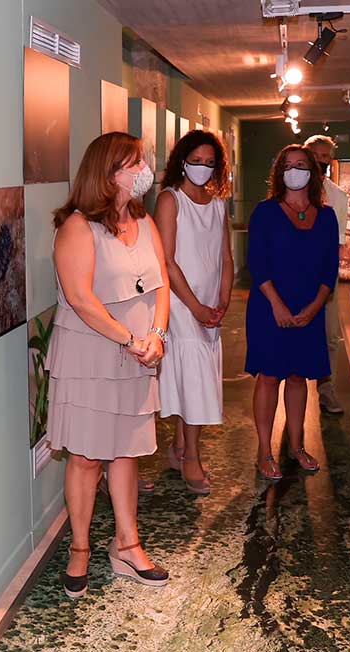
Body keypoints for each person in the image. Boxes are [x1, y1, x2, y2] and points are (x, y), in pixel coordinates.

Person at [48, 132, 171, 598]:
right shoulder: (77, 226)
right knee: (84, 456)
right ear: (109, 172)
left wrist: (156, 336)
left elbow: (159, 283)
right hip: (91, 354)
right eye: (135, 162)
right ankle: (80, 549)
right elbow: (81, 297)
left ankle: (127, 543)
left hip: (139, 350)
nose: (145, 169)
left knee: (126, 450)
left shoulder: (143, 219)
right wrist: (131, 340)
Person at [245, 144, 339, 479]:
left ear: (313, 171)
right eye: (288, 165)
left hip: (309, 309)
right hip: (270, 308)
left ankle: (296, 445)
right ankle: (264, 451)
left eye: (301, 165)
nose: (295, 170)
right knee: (270, 377)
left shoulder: (326, 216)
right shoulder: (265, 212)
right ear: (278, 172)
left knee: (299, 377)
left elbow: (330, 268)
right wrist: (278, 305)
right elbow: (257, 264)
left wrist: (315, 307)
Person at [154, 131, 234, 494]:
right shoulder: (170, 200)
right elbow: (167, 262)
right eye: (196, 161)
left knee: (196, 378)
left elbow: (226, 258)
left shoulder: (219, 204)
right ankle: (191, 459)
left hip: (209, 308)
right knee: (193, 379)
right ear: (182, 160)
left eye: (209, 162)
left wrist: (222, 301)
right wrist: (197, 307)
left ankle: (180, 447)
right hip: (183, 305)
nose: (202, 168)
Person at [305, 134, 348, 415]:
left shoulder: (338, 197)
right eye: (315, 157)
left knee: (330, 335)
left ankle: (326, 389)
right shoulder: (287, 191)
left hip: (325, 276)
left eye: (324, 158)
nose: (319, 163)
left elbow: (339, 244)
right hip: (293, 276)